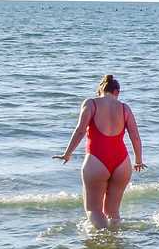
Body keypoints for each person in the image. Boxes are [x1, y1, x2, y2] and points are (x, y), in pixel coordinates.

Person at [58, 74, 146, 228]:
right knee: (113, 212)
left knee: (94, 210)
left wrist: (68, 153)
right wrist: (138, 160)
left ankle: (104, 244)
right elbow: (135, 137)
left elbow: (80, 131)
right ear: (117, 92)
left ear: (99, 91)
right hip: (122, 162)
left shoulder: (91, 103)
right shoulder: (125, 108)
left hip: (96, 160)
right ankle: (115, 241)